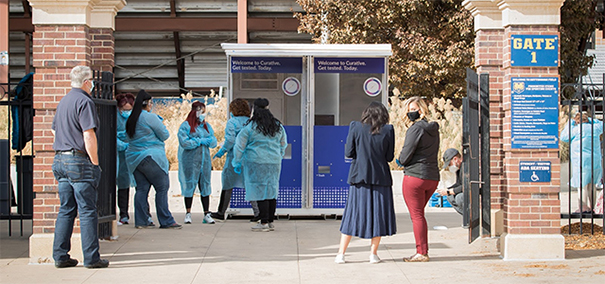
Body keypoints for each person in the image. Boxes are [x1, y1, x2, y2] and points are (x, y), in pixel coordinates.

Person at [51, 66, 109, 268]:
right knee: (87, 210)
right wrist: (95, 162)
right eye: (91, 80)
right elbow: (88, 134)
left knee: (66, 209)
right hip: (79, 161)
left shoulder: (63, 101)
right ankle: (91, 258)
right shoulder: (84, 101)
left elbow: (54, 131)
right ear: (86, 81)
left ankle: (60, 255)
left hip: (60, 160)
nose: (92, 84)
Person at [335, 101, 396, 265]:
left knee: (352, 215)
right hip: (381, 178)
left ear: (366, 113)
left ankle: (341, 254)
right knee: (378, 216)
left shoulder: (355, 126)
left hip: (359, 177)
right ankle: (373, 254)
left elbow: (349, 152)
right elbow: (389, 157)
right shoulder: (388, 130)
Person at [125, 90, 181, 229]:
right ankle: (166, 220)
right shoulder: (150, 118)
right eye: (151, 102)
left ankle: (141, 221)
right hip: (151, 157)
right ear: (148, 103)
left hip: (134, 158)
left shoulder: (131, 118)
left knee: (142, 189)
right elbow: (165, 135)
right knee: (162, 187)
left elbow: (127, 137)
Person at [232, 98, 287, 232]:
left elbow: (240, 146)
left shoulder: (250, 126)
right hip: (274, 162)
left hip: (256, 162)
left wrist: (237, 161)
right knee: (271, 190)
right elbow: (283, 144)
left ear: (254, 109)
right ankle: (269, 221)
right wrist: (278, 155)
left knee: (259, 191)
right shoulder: (277, 125)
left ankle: (263, 223)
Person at [398, 96, 440, 262]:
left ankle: (421, 252)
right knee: (419, 215)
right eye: (408, 110)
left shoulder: (415, 129)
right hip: (432, 177)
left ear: (422, 109)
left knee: (417, 216)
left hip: (415, 177)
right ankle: (422, 250)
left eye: (413, 109)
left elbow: (405, 155)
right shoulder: (434, 128)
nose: (410, 113)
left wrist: (399, 161)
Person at [211, 98, 251, 221]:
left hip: (234, 157)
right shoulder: (250, 122)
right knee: (250, 184)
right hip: (249, 157)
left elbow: (230, 140)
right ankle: (258, 213)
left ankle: (221, 212)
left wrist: (221, 151)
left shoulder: (232, 122)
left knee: (228, 184)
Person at [178, 101, 218, 224]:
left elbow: (213, 141)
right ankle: (188, 212)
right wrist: (198, 141)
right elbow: (184, 142)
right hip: (190, 161)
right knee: (190, 185)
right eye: (202, 112)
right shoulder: (185, 126)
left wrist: (207, 141)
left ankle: (206, 213)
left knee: (205, 185)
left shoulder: (206, 126)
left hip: (204, 161)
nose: (203, 115)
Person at [560, 110, 603, 213]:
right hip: (595, 161)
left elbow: (564, 137)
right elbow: (602, 125)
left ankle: (583, 208)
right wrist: (591, 120)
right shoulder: (595, 128)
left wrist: (570, 123)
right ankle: (593, 207)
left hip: (580, 161)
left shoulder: (575, 130)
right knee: (591, 185)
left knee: (581, 185)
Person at [115, 93, 134, 225]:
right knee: (113, 183)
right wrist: (119, 142)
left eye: (129, 109)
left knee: (124, 184)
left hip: (128, 154)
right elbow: (109, 132)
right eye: (124, 110)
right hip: (116, 152)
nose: (126, 112)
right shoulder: (114, 116)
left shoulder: (133, 117)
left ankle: (124, 214)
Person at [436, 148, 464, 216]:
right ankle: (466, 216)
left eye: (449, 164)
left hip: (470, 193)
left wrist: (449, 191)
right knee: (450, 197)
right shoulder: (458, 170)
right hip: (464, 190)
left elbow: (465, 186)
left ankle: (470, 217)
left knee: (459, 198)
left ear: (455, 159)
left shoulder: (465, 167)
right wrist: (447, 190)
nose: (449, 166)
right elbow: (458, 184)